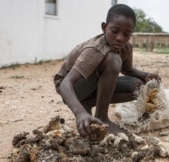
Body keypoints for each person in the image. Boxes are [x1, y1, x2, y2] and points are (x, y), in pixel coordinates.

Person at [54, 4, 161, 137]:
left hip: (92, 83)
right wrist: (79, 113)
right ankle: (102, 117)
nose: (120, 38)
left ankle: (87, 103)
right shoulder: (95, 50)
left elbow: (127, 70)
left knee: (138, 87)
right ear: (104, 27)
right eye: (115, 31)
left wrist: (146, 75)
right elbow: (66, 84)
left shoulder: (125, 47)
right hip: (72, 88)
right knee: (112, 59)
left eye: (126, 34)